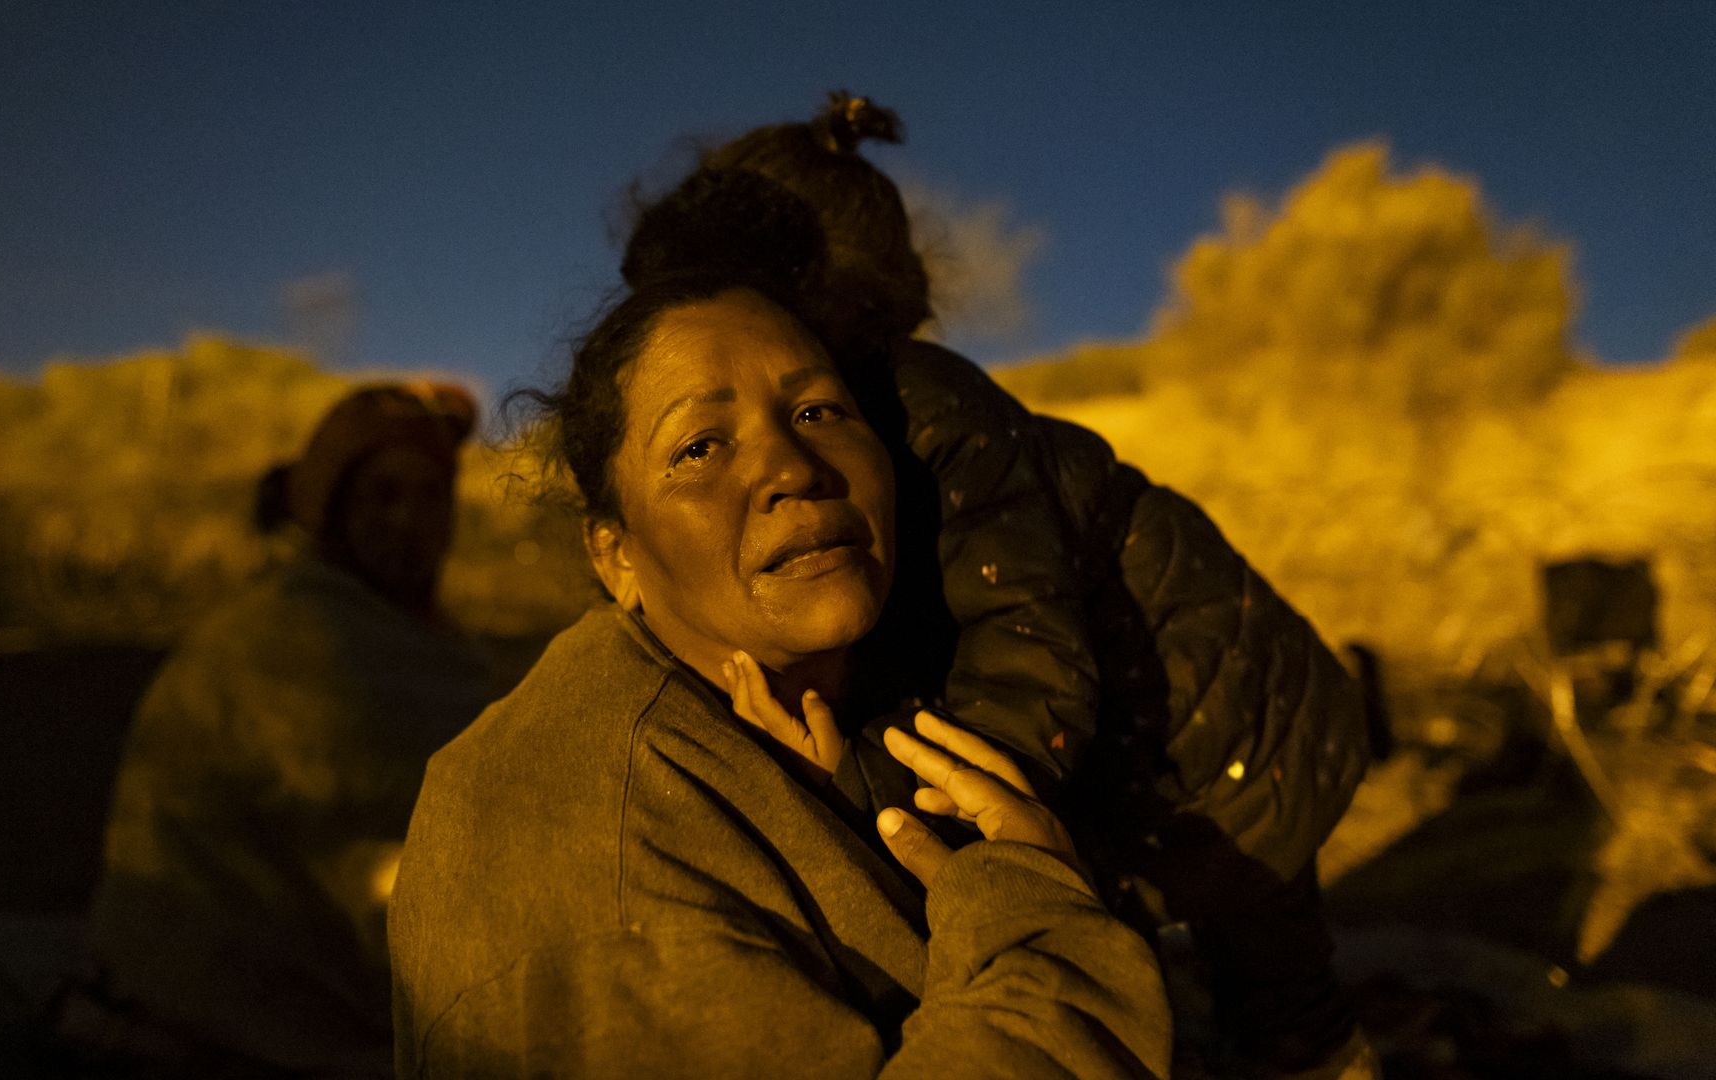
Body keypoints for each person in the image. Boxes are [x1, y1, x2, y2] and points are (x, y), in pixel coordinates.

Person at [626, 94, 1376, 1076]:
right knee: (1143, 962)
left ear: (798, 292)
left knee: (1276, 991)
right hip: (1140, 762)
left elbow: (1026, 648)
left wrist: (906, 807)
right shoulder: (838, 436)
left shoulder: (923, 413)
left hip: (1234, 750)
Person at [389, 276, 1174, 1078]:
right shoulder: (571, 847)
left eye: (818, 413)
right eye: (700, 447)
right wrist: (1038, 917)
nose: (793, 469)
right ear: (615, 554)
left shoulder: (785, 734)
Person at [88, 383, 500, 1077]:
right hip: (233, 1017)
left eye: (432, 496)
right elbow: (386, 845)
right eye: (383, 495)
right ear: (333, 512)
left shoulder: (410, 634)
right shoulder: (289, 640)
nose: (411, 521)